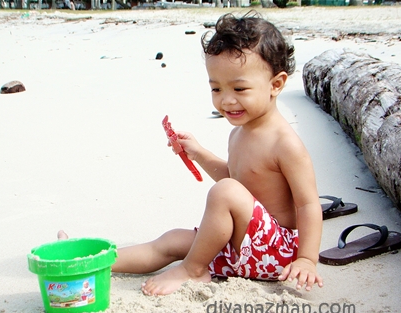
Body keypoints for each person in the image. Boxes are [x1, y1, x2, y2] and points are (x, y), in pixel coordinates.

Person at [59, 10, 323, 296]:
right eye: (216, 88)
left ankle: (193, 269)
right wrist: (198, 153)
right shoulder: (239, 132)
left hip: (276, 254)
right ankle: (89, 262)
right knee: (171, 241)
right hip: (240, 245)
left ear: (276, 84)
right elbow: (237, 180)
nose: (226, 100)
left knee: (225, 192)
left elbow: (307, 205)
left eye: (239, 88)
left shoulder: (285, 143)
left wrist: (307, 259)